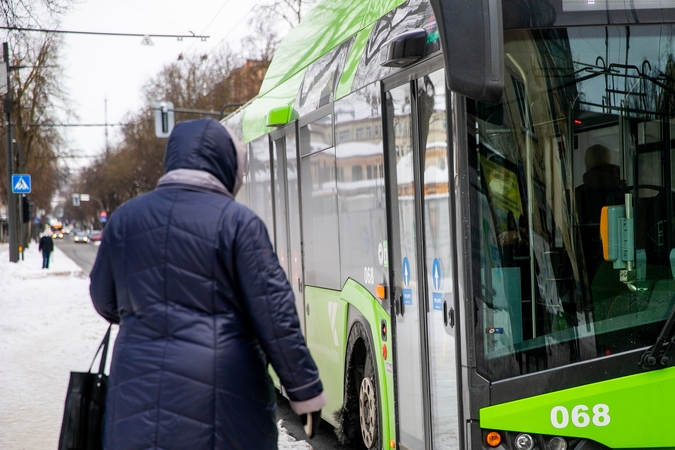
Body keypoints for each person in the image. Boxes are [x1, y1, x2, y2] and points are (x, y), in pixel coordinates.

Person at [89, 118, 326, 450]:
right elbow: (275, 316)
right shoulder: (238, 222)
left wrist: (145, 316)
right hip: (223, 400)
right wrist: (305, 391)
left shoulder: (124, 219)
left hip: (135, 395)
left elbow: (104, 300)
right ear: (227, 165)